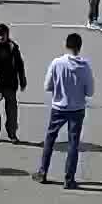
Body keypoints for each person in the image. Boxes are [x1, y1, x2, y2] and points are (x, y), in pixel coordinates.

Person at [36, 32, 94, 188]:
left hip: (58, 107)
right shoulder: (85, 66)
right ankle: (69, 179)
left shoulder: (57, 63)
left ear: (66, 45)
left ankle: (43, 172)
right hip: (77, 108)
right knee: (73, 143)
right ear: (79, 48)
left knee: (50, 139)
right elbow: (90, 92)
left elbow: (47, 86)